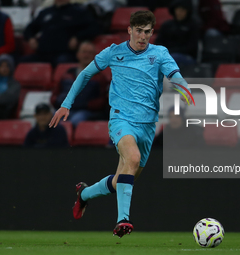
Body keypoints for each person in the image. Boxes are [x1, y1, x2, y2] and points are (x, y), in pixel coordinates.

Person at [49, 10, 192, 238]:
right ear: (129, 30)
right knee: (132, 159)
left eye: (147, 32)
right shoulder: (113, 53)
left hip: (147, 125)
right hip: (121, 119)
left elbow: (175, 75)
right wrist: (66, 104)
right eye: (138, 31)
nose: (142, 36)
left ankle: (84, 195)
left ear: (152, 32)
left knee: (122, 180)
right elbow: (85, 75)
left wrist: (185, 90)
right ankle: (123, 220)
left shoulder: (160, 53)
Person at [22, 0, 100, 67]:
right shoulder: (45, 12)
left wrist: (78, 37)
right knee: (23, 62)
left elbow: (95, 28)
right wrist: (31, 38)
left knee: (62, 62)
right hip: (43, 53)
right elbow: (29, 29)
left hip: (65, 53)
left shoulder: (79, 12)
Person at [51, 41, 109, 127]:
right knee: (50, 119)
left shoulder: (99, 78)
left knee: (75, 121)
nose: (86, 55)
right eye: (84, 52)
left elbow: (103, 101)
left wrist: (85, 104)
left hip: (84, 111)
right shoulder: (67, 74)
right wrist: (58, 100)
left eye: (89, 53)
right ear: (78, 54)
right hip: (64, 108)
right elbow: (55, 95)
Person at [155, 0, 199, 66]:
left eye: (182, 10)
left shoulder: (192, 26)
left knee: (171, 58)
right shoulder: (166, 25)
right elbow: (158, 43)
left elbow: (191, 47)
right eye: (178, 10)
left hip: (185, 56)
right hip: (167, 54)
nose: (180, 12)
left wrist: (171, 51)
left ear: (187, 11)